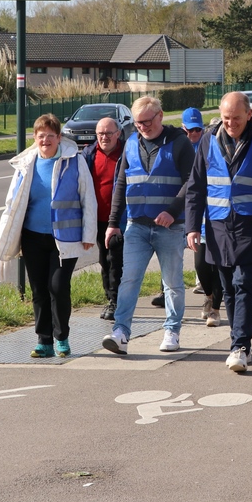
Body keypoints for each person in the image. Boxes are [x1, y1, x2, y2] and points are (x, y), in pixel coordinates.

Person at [186, 92, 252, 373]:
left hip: (251, 225)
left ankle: (240, 346)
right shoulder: (207, 140)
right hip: (218, 226)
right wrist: (192, 227)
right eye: (226, 118)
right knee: (228, 287)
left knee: (244, 283)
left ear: (249, 116)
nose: (231, 123)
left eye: (236, 118)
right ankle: (238, 341)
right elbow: (196, 187)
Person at [0, 114, 97, 358]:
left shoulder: (74, 161)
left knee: (58, 287)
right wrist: (2, 235)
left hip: (65, 239)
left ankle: (61, 338)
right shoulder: (26, 165)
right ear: (35, 137)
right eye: (41, 136)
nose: (46, 140)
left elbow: (88, 198)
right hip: (33, 237)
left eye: (51, 135)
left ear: (59, 138)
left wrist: (89, 233)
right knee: (39, 289)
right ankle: (44, 341)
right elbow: (12, 204)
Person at [101, 97, 194, 356]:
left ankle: (172, 330)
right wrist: (113, 223)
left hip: (170, 227)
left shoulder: (180, 143)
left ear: (160, 116)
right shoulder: (131, 143)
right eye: (138, 123)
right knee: (129, 280)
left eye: (147, 121)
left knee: (172, 282)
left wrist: (172, 212)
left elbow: (191, 182)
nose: (142, 127)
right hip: (136, 226)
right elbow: (121, 184)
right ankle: (121, 333)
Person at [81, 116, 124, 321]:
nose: (104, 137)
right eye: (100, 133)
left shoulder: (127, 153)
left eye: (108, 133)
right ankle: (111, 297)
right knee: (104, 260)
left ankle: (116, 300)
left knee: (115, 260)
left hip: (120, 219)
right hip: (97, 218)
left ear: (118, 134)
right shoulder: (89, 155)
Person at [184, 109, 224, 327]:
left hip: (220, 219)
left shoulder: (220, 153)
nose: (193, 134)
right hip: (201, 218)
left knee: (218, 266)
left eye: (197, 130)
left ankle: (215, 310)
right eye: (189, 130)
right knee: (200, 265)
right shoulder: (196, 151)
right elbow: (193, 190)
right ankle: (209, 296)